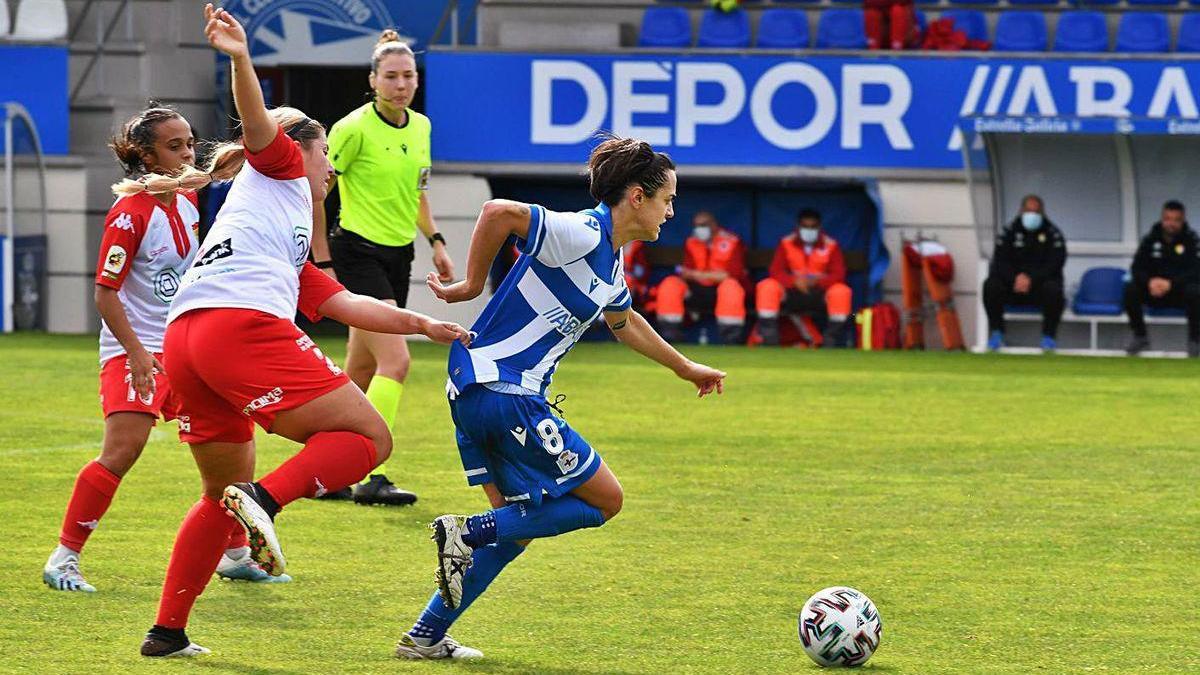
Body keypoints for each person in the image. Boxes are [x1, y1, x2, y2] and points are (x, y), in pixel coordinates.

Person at [138, 6, 469, 657]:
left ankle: (166, 631)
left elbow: (347, 302)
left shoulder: (280, 229)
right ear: (308, 151)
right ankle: (264, 497)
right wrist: (240, 58)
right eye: (327, 163)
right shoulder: (284, 167)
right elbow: (262, 124)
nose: (330, 174)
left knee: (217, 496)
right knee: (370, 435)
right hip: (238, 330)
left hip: (187, 343)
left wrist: (425, 323)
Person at [390, 137, 726, 660]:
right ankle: (465, 531)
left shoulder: (610, 266)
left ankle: (426, 635)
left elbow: (624, 322)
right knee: (605, 500)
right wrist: (472, 285)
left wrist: (686, 368)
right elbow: (498, 212)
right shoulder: (582, 232)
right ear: (637, 197)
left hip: (475, 391)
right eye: (668, 199)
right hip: (507, 392)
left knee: (517, 529)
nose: (672, 210)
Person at [42, 105, 283, 592]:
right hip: (136, 350)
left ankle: (233, 554)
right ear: (144, 155)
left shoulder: (186, 203)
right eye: (175, 146)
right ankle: (63, 558)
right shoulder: (129, 213)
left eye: (190, 143)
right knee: (123, 450)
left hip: (182, 350)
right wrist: (134, 352)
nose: (187, 153)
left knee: (227, 452)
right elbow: (105, 291)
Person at [311, 30, 455, 505]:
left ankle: (325, 472)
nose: (400, 84)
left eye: (408, 75)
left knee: (361, 368)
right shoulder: (351, 128)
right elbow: (316, 191)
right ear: (372, 80)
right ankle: (374, 474)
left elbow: (418, 191)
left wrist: (434, 240)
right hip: (356, 252)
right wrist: (322, 260)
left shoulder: (423, 127)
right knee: (397, 360)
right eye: (390, 76)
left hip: (399, 254)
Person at [755, 209, 852, 347]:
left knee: (842, 291)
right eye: (805, 226)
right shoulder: (786, 243)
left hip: (820, 292)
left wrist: (818, 281)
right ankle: (770, 340)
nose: (809, 230)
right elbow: (776, 271)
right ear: (798, 227)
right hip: (791, 292)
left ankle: (831, 340)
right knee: (766, 286)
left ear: (819, 227)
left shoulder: (831, 245)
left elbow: (838, 274)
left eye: (813, 227)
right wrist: (793, 281)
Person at [982, 194, 1067, 352]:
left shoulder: (1052, 234)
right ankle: (997, 334)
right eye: (1029, 211)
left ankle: (1048, 338)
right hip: (1013, 287)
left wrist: (1031, 279)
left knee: (1054, 290)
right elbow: (1000, 261)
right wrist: (1016, 278)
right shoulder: (1009, 231)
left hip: (1039, 288)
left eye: (1036, 211)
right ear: (1021, 210)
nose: (1032, 215)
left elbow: (1055, 264)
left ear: (1042, 212)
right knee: (991, 285)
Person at [655, 211, 747, 344]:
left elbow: (733, 274)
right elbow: (686, 272)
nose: (699, 229)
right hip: (696, 289)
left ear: (714, 225)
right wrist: (702, 275)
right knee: (670, 284)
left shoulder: (732, 241)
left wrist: (698, 275)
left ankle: (731, 340)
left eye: (703, 225)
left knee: (730, 287)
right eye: (697, 225)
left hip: (720, 289)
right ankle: (671, 337)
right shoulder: (691, 241)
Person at [1125, 200, 1200, 357]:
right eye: (1167, 219)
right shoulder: (1150, 240)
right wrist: (1149, 282)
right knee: (1130, 288)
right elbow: (1137, 267)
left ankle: (1195, 341)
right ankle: (1140, 336)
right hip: (1153, 292)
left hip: (1179, 293)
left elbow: (1195, 270)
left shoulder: (1192, 241)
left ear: (1182, 220)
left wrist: (1171, 284)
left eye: (1176, 220)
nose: (1171, 223)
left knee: (1195, 291)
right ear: (1162, 219)